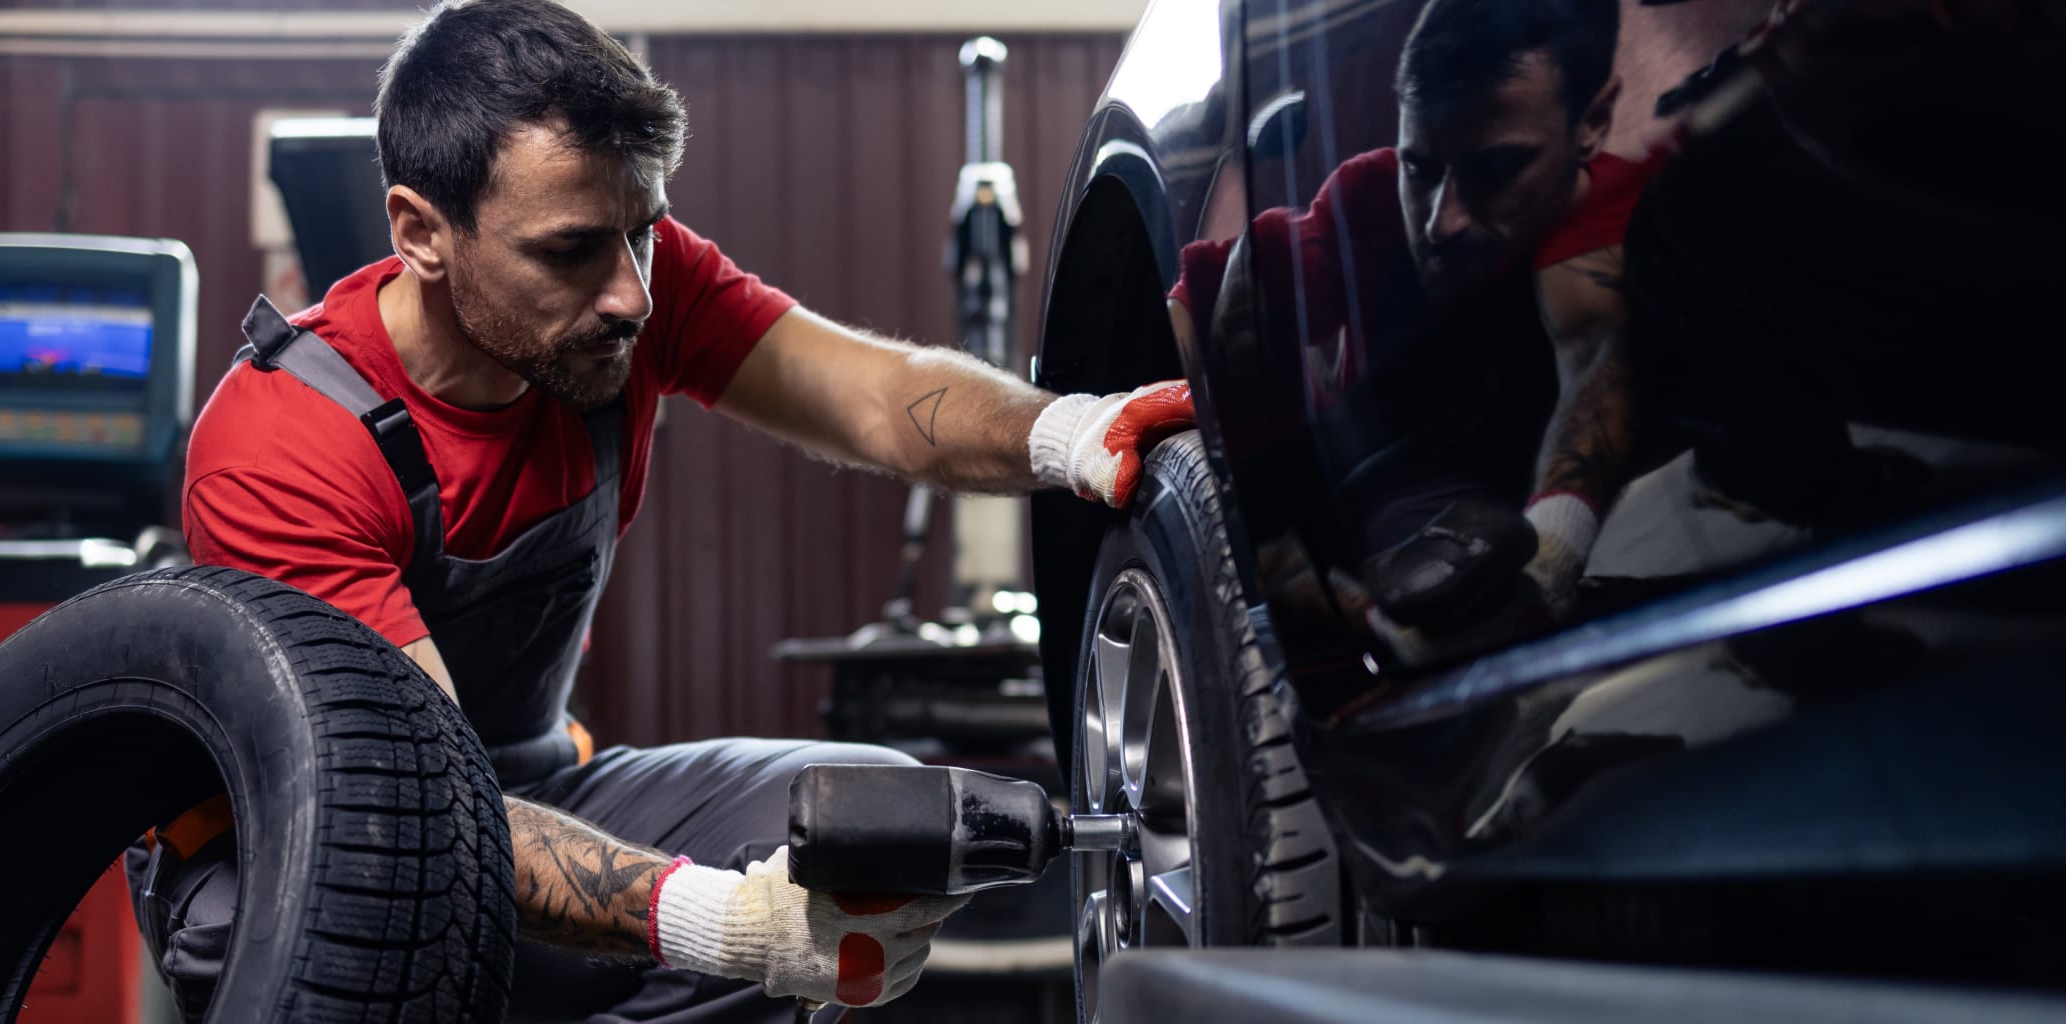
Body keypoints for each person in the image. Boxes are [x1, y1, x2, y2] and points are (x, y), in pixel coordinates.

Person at [134, 2, 1195, 1022]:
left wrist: (1064, 432)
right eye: (570, 250)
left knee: (865, 836)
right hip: (318, 838)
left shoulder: (627, 294)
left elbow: (869, 395)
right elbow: (422, 804)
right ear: (420, 232)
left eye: (642, 233)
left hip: (540, 782)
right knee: (367, 935)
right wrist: (723, 923)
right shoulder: (286, 442)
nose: (632, 293)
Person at [1173, 0, 1652, 638]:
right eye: (1421, 170)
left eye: (1496, 168)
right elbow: (1190, 312)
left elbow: (1599, 351)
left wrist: (1551, 560)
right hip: (1379, 508)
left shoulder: (1628, 217)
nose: (1440, 220)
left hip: (1525, 513)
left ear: (1592, 122)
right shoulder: (1367, 200)